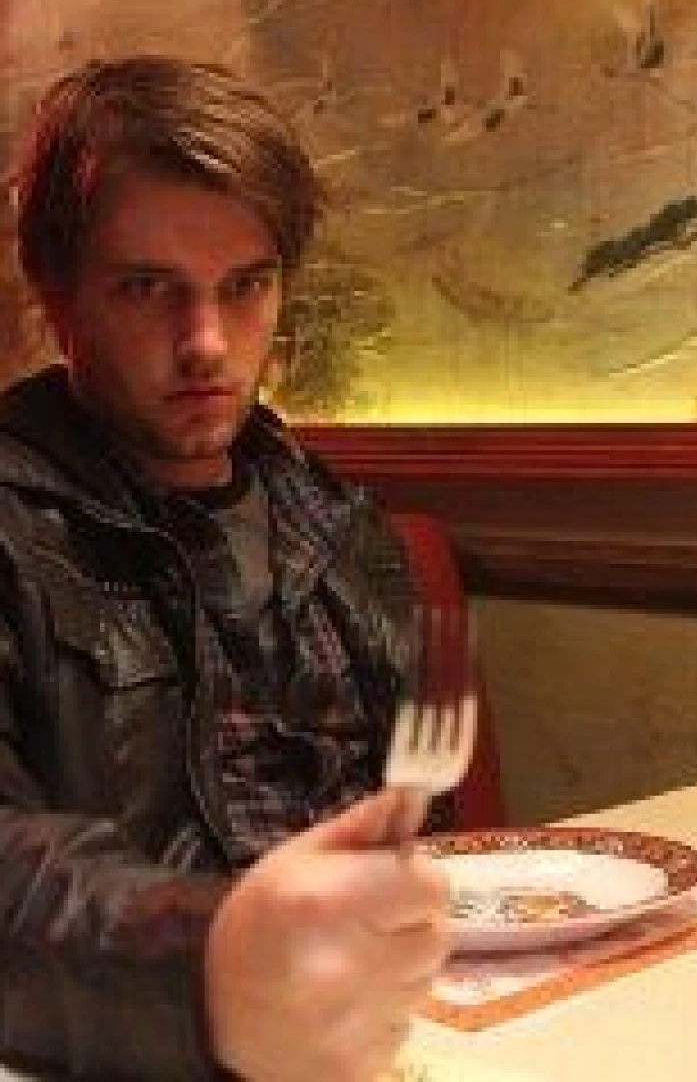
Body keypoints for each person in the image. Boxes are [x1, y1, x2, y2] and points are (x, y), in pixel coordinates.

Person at [0, 56, 453, 1082]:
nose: (206, 342)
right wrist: (206, 968)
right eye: (146, 287)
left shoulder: (340, 526)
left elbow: (427, 836)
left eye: (244, 285)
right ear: (56, 295)